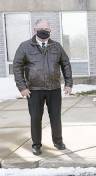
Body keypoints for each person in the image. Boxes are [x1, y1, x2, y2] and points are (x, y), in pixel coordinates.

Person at [13, 19, 73, 155]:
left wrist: (68, 83)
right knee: (35, 118)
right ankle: (36, 145)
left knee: (56, 117)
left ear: (50, 30)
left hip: (54, 89)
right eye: (41, 28)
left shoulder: (56, 46)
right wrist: (22, 87)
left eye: (47, 28)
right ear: (35, 29)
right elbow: (17, 67)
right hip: (34, 90)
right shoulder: (25, 46)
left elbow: (66, 64)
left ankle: (58, 141)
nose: (44, 30)